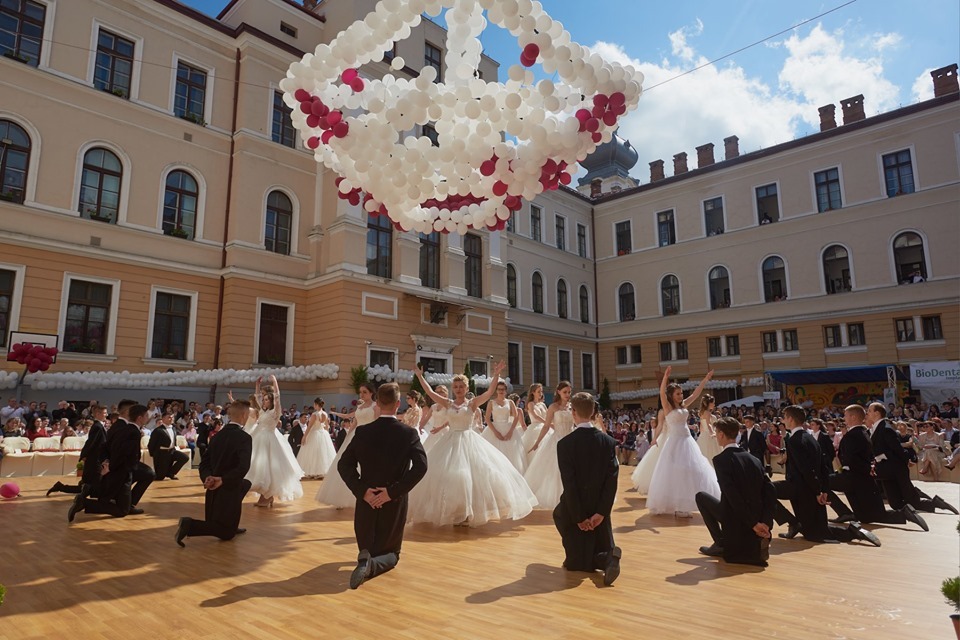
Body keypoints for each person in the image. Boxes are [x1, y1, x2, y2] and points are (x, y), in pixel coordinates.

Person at [407, 362, 537, 527]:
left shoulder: (472, 403)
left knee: (470, 476)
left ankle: (468, 513)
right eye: (456, 386)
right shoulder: (448, 403)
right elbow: (429, 392)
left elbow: (490, 392)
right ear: (453, 388)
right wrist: (419, 376)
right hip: (451, 442)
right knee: (453, 476)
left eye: (461, 386)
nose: (458, 389)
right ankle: (457, 511)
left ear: (466, 387)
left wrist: (496, 374)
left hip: (469, 441)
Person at [337, 383, 428, 589]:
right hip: (393, 503)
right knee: (392, 555)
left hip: (366, 502)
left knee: (369, 545)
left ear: (377, 403)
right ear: (398, 404)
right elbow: (421, 467)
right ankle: (370, 566)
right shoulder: (408, 433)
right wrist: (392, 492)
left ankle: (365, 555)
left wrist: (362, 490)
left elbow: (344, 465)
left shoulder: (362, 432)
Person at [773, 406, 880, 546]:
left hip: (801, 489)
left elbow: (806, 469)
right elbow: (822, 467)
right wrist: (823, 489)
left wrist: (819, 491)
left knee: (814, 533)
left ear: (791, 419)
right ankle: (795, 524)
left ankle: (793, 523)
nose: (783, 420)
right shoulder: (810, 438)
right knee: (815, 530)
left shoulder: (795, 440)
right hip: (809, 488)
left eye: (785, 417)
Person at [553, 392, 621, 586]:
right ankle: (607, 557)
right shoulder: (608, 442)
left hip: (576, 506)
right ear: (593, 413)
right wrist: (601, 512)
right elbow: (612, 480)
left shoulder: (565, 445)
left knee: (576, 562)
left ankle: (604, 559)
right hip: (599, 504)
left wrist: (579, 517)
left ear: (573, 412)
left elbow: (570, 484)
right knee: (587, 546)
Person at [828, 405, 928, 531]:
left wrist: (846, 470)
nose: (844, 418)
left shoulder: (852, 435)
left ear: (853, 417)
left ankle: (844, 512)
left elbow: (852, 460)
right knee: (868, 517)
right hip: (863, 478)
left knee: (822, 482)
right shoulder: (864, 433)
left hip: (854, 477)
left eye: (846, 415)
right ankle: (903, 513)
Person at [696, 417, 776, 566]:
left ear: (720, 435)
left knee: (701, 497)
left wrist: (753, 524)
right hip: (757, 514)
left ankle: (720, 542)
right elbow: (770, 490)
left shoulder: (721, 460)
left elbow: (732, 495)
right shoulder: (754, 459)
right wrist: (765, 522)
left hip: (736, 517)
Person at [176, 399, 253, 547]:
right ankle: (190, 525)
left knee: (246, 484)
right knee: (226, 534)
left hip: (212, 490)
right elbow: (243, 467)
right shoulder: (244, 438)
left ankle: (229, 525)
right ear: (244, 415)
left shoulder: (217, 436)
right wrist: (223, 480)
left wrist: (207, 478)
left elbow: (204, 463)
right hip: (228, 488)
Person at [645, 367, 720, 517]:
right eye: (678, 393)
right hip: (675, 442)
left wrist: (705, 379)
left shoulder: (684, 405)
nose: (681, 395)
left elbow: (696, 393)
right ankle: (679, 507)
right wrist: (665, 378)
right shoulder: (667, 407)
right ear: (672, 395)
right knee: (677, 473)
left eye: (681, 393)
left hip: (687, 441)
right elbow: (661, 393)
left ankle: (685, 505)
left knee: (691, 471)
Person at [866, 403, 956, 515]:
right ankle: (913, 505)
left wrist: (907, 460)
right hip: (885, 467)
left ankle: (935, 503)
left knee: (913, 501)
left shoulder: (885, 428)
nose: (867, 412)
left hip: (895, 467)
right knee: (895, 503)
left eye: (869, 410)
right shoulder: (876, 428)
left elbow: (897, 448)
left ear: (877, 413)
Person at [69, 401, 146, 522]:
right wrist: (109, 465)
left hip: (119, 468)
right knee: (121, 509)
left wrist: (107, 463)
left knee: (116, 499)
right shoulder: (126, 428)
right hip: (121, 470)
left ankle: (88, 496)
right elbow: (118, 451)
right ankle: (85, 501)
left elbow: (106, 447)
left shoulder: (119, 426)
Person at [245, 375, 304, 507]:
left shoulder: (275, 412)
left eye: (266, 399)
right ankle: (265, 496)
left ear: (271, 401)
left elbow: (277, 397)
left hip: (269, 441)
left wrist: (275, 382)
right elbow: (257, 396)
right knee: (260, 469)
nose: (264, 401)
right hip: (259, 438)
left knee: (268, 470)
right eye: (264, 399)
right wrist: (257, 384)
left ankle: (267, 497)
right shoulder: (263, 411)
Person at [317, 383, 379, 508]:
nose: (361, 394)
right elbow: (355, 423)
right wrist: (347, 438)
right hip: (355, 437)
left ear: (372, 393)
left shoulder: (376, 406)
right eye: (360, 392)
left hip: (369, 437)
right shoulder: (360, 407)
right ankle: (342, 498)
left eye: (365, 392)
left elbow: (377, 424)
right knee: (346, 464)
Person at [524, 381, 575, 510]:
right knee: (555, 469)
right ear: (558, 392)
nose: (567, 395)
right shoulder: (553, 407)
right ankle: (559, 497)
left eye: (569, 392)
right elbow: (546, 426)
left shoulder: (572, 406)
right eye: (565, 392)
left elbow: (576, 424)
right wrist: (537, 443)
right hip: (557, 440)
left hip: (571, 439)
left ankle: (573, 496)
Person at [47, 405, 108, 497]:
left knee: (86, 485)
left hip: (95, 459)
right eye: (104, 413)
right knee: (91, 485)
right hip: (94, 460)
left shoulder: (99, 426)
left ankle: (60, 487)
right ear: (98, 414)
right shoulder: (97, 427)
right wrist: (84, 456)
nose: (106, 415)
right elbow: (90, 443)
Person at [482, 381, 526, 472]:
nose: (501, 391)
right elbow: (487, 418)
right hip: (494, 429)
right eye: (499, 389)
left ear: (506, 391)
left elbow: (516, 416)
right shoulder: (491, 402)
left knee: (511, 456)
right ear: (496, 390)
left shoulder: (510, 402)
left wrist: (511, 432)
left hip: (508, 428)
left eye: (503, 389)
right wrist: (495, 432)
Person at [298, 399, 337, 479]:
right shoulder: (325, 414)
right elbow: (326, 426)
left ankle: (313, 472)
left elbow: (309, 426)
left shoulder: (314, 414)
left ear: (316, 404)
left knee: (313, 453)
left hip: (314, 433)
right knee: (322, 453)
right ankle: (321, 472)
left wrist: (304, 436)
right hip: (323, 433)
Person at [631, 410, 666, 494]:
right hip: (653, 448)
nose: (652, 424)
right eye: (651, 423)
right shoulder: (649, 432)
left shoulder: (660, 430)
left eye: (653, 422)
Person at [148, 413, 189, 481]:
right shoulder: (158, 430)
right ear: (163, 419)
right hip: (162, 453)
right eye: (169, 417)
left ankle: (171, 473)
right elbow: (151, 444)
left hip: (172, 451)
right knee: (160, 478)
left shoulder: (173, 428)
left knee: (184, 458)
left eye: (172, 417)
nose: (171, 419)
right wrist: (153, 454)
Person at [521, 384, 548, 464]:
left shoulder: (543, 404)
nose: (541, 393)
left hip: (545, 427)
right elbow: (535, 416)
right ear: (533, 392)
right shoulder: (530, 404)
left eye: (541, 391)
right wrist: (547, 423)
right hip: (535, 428)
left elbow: (547, 415)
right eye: (538, 392)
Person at [696, 394, 722, 466]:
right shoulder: (707, 412)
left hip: (704, 434)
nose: (714, 404)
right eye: (713, 403)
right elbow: (708, 424)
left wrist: (701, 434)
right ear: (709, 403)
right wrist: (713, 433)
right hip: (709, 434)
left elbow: (701, 426)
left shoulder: (703, 412)